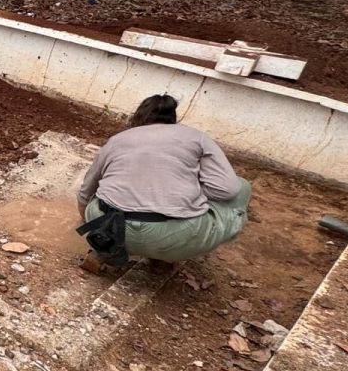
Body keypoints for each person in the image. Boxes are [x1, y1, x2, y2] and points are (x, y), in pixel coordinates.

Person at [76, 94, 252, 271]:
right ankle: (164, 256)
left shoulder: (117, 139)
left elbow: (85, 193)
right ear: (172, 119)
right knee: (242, 187)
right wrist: (190, 193)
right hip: (173, 237)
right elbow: (228, 189)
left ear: (138, 118)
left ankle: (104, 247)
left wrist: (91, 224)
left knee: (101, 196)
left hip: (108, 224)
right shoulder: (197, 138)